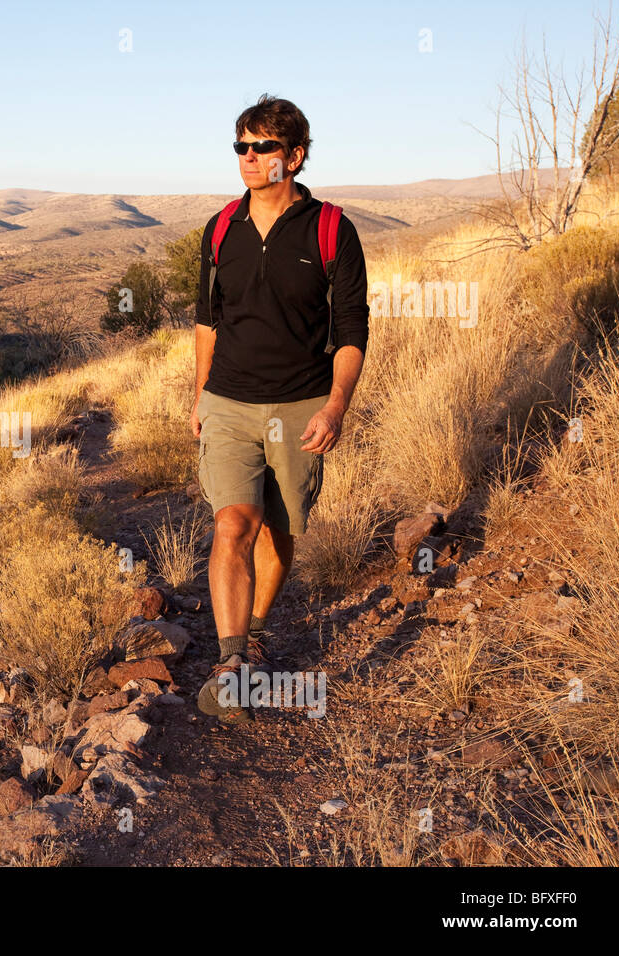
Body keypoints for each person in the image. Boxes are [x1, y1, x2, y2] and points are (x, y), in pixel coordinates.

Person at [191, 94, 369, 724]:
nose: (248, 157)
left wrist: (337, 406)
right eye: (240, 145)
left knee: (280, 528)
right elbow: (208, 322)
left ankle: (258, 629)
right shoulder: (219, 229)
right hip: (230, 402)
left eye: (261, 146)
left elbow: (351, 329)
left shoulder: (331, 229)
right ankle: (233, 663)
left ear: (293, 156)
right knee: (233, 523)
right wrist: (199, 396)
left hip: (301, 405)